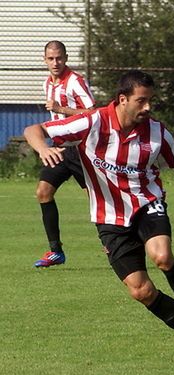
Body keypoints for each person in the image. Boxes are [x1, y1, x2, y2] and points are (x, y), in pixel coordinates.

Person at [24, 70, 174, 364]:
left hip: (147, 204)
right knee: (141, 290)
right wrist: (42, 148)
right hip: (109, 218)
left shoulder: (157, 132)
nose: (148, 107)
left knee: (162, 257)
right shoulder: (94, 122)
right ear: (123, 99)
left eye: (151, 100)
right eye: (142, 101)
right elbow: (34, 130)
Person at [34, 40, 96, 267]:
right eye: (50, 58)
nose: (55, 62)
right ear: (44, 60)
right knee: (43, 192)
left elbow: (91, 112)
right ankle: (55, 251)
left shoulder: (76, 81)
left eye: (59, 58)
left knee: (97, 199)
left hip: (83, 148)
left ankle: (117, 242)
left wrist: (61, 109)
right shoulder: (47, 84)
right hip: (61, 150)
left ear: (66, 58)